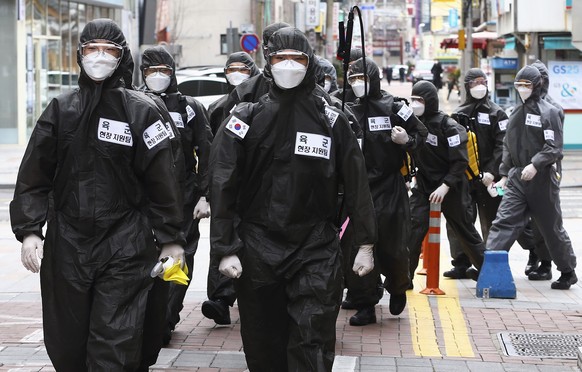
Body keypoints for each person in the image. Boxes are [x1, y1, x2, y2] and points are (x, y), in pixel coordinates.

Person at [10, 18, 186, 370]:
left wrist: (171, 240)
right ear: (80, 55)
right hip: (69, 247)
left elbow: (163, 183)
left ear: (121, 57)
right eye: (92, 49)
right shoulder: (61, 110)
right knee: (68, 344)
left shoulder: (143, 112)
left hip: (125, 245)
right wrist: (31, 232)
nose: (100, 57)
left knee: (115, 341)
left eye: (109, 50)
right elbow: (34, 175)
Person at [209, 27, 377, 371]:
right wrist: (225, 247)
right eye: (280, 58)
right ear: (267, 63)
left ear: (309, 63)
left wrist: (365, 242)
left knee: (312, 338)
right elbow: (222, 181)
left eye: (297, 58)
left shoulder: (331, 119)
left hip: (315, 246)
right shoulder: (245, 118)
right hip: (257, 247)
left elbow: (357, 182)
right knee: (262, 342)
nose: (289, 65)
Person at [201, 22, 290, 326]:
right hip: (241, 184)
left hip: (286, 191)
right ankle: (221, 298)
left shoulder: (309, 93)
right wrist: (212, 188)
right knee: (226, 235)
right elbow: (219, 147)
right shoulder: (243, 95)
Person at [139, 45, 213, 358]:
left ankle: (167, 318)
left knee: (179, 258)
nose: (157, 76)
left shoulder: (190, 108)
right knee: (144, 259)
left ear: (173, 71)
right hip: (143, 199)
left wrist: (205, 194)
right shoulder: (135, 103)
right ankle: (144, 316)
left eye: (163, 70)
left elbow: (208, 152)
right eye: (150, 70)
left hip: (183, 197)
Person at [341, 57, 427, 326]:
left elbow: (423, 137)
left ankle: (398, 285)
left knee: (393, 246)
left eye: (362, 78)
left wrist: (407, 141)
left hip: (390, 187)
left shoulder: (394, 107)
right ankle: (365, 301)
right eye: (352, 79)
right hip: (358, 189)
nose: (357, 84)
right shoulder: (345, 109)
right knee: (357, 246)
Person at [486, 65, 577, 290]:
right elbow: (508, 146)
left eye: (527, 85)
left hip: (543, 178)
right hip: (517, 178)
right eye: (519, 85)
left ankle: (567, 270)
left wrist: (536, 164)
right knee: (503, 222)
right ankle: (490, 266)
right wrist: (505, 176)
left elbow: (553, 146)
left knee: (550, 228)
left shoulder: (550, 112)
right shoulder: (515, 113)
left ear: (537, 85)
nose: (522, 89)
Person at [407, 81, 485, 284]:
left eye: (420, 100)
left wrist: (446, 185)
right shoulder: (414, 123)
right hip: (424, 187)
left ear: (430, 101)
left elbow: (460, 161)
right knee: (413, 229)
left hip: (452, 187)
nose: (415, 104)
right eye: (413, 99)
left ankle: (488, 272)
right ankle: (403, 278)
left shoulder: (449, 127)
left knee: (464, 230)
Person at [442, 68, 508, 279]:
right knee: (460, 219)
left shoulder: (497, 113)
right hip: (465, 176)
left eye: (483, 81)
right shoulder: (459, 113)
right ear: (467, 87)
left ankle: (486, 261)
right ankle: (460, 261)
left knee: (491, 222)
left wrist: (491, 171)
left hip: (489, 179)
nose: (480, 86)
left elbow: (502, 145)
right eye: (475, 83)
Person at [208, 51, 261, 134]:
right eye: (232, 70)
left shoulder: (263, 102)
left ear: (253, 71)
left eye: (243, 70)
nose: (236, 74)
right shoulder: (217, 108)